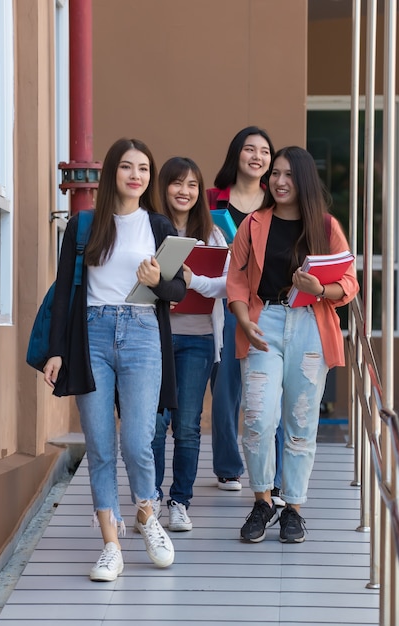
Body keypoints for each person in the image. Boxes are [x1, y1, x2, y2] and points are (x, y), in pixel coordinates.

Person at [43, 138, 186, 581]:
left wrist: (159, 280)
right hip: (91, 334)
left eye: (144, 168)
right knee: (101, 446)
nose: (136, 175)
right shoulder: (84, 227)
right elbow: (64, 291)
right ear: (112, 174)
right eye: (127, 167)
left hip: (143, 333)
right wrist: (56, 350)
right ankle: (110, 543)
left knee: (138, 441)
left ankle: (146, 512)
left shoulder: (159, 225)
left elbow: (178, 291)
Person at [226, 146, 359, 543]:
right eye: (276, 174)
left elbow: (350, 282)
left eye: (288, 175)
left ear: (303, 180)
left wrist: (320, 287)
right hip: (263, 322)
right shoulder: (253, 223)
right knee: (257, 419)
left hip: (309, 325)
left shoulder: (325, 225)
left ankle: (294, 509)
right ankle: (263, 500)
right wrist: (244, 319)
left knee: (301, 423)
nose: (280, 182)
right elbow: (235, 277)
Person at [152, 156, 229, 531]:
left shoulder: (212, 234)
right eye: (177, 183)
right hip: (155, 336)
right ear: (163, 187)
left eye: (192, 185)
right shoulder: (148, 228)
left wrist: (192, 279)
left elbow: (228, 285)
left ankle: (179, 501)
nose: (185, 191)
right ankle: (147, 501)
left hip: (198, 339)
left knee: (186, 425)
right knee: (153, 424)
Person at [207, 125, 284, 493]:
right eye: (250, 149)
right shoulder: (210, 201)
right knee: (226, 387)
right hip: (223, 298)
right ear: (236, 154)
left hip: (267, 303)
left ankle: (277, 473)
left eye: (265, 152)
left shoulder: (279, 202)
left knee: (271, 390)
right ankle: (227, 466)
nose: (258, 157)